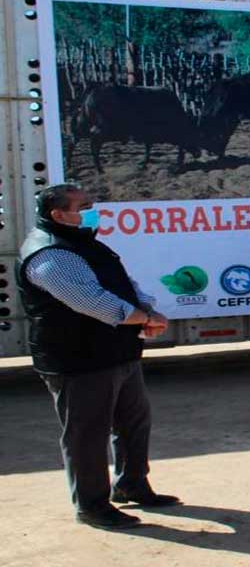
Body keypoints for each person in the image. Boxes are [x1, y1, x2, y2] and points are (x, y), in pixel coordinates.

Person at [17, 184, 178, 529]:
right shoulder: (49, 254)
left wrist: (146, 309)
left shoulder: (86, 242)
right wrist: (143, 318)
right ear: (58, 215)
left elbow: (124, 284)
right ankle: (92, 506)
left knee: (134, 423)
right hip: (78, 360)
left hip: (116, 352)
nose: (93, 211)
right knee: (87, 435)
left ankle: (132, 484)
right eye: (83, 206)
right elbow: (90, 301)